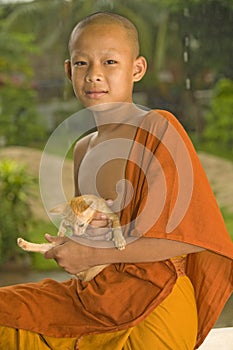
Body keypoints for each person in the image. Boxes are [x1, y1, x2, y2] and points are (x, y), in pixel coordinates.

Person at [0, 12, 232, 350]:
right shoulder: (81, 149)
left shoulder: (158, 128)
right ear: (69, 71)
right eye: (82, 63)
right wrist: (72, 244)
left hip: (155, 299)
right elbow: (96, 237)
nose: (94, 74)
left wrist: (91, 254)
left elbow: (190, 239)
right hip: (95, 299)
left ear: (136, 69)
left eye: (110, 61)